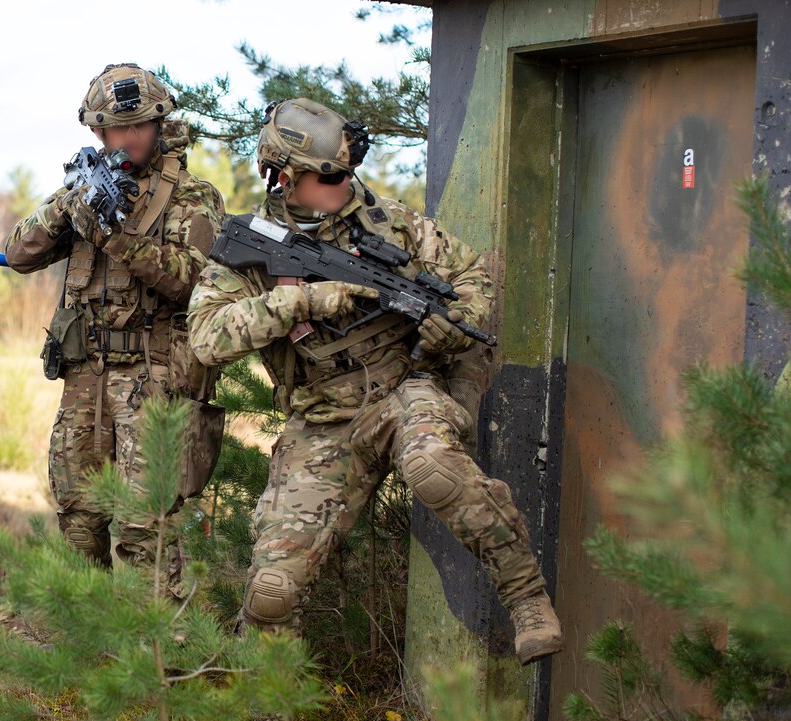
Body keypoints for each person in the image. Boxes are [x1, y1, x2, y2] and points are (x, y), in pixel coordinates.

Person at [187, 98, 563, 665]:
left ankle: (526, 597)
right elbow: (207, 337)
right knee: (271, 594)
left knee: (434, 466)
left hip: (402, 391)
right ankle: (269, 701)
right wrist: (300, 299)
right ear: (284, 177)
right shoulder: (250, 245)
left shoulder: (389, 224)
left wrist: (450, 328)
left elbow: (470, 276)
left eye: (345, 172)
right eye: (330, 176)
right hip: (321, 418)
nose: (345, 185)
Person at [5, 64, 225, 594]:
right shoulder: (87, 188)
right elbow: (18, 253)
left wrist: (116, 238)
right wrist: (68, 209)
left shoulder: (192, 198)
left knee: (144, 525)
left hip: (154, 381)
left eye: (136, 128)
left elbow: (196, 280)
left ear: (158, 123)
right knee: (79, 518)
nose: (124, 141)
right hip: (86, 379)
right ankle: (88, 655)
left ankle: (161, 659)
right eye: (111, 131)